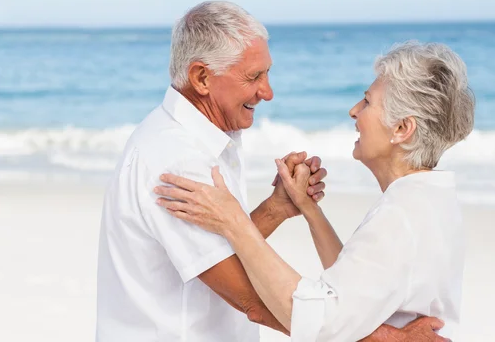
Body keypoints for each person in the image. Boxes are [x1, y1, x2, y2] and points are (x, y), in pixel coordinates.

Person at [97, 2, 446, 341]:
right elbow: (251, 298)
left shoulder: (203, 137)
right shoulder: (177, 158)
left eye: (267, 73)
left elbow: (218, 251)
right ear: (202, 77)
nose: (268, 92)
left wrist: (277, 208)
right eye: (254, 77)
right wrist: (386, 339)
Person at [154, 41, 475, 341]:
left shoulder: (400, 216)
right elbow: (354, 285)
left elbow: (318, 320)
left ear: (402, 129)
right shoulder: (427, 200)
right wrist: (309, 210)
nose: (354, 110)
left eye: (367, 101)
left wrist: (233, 222)